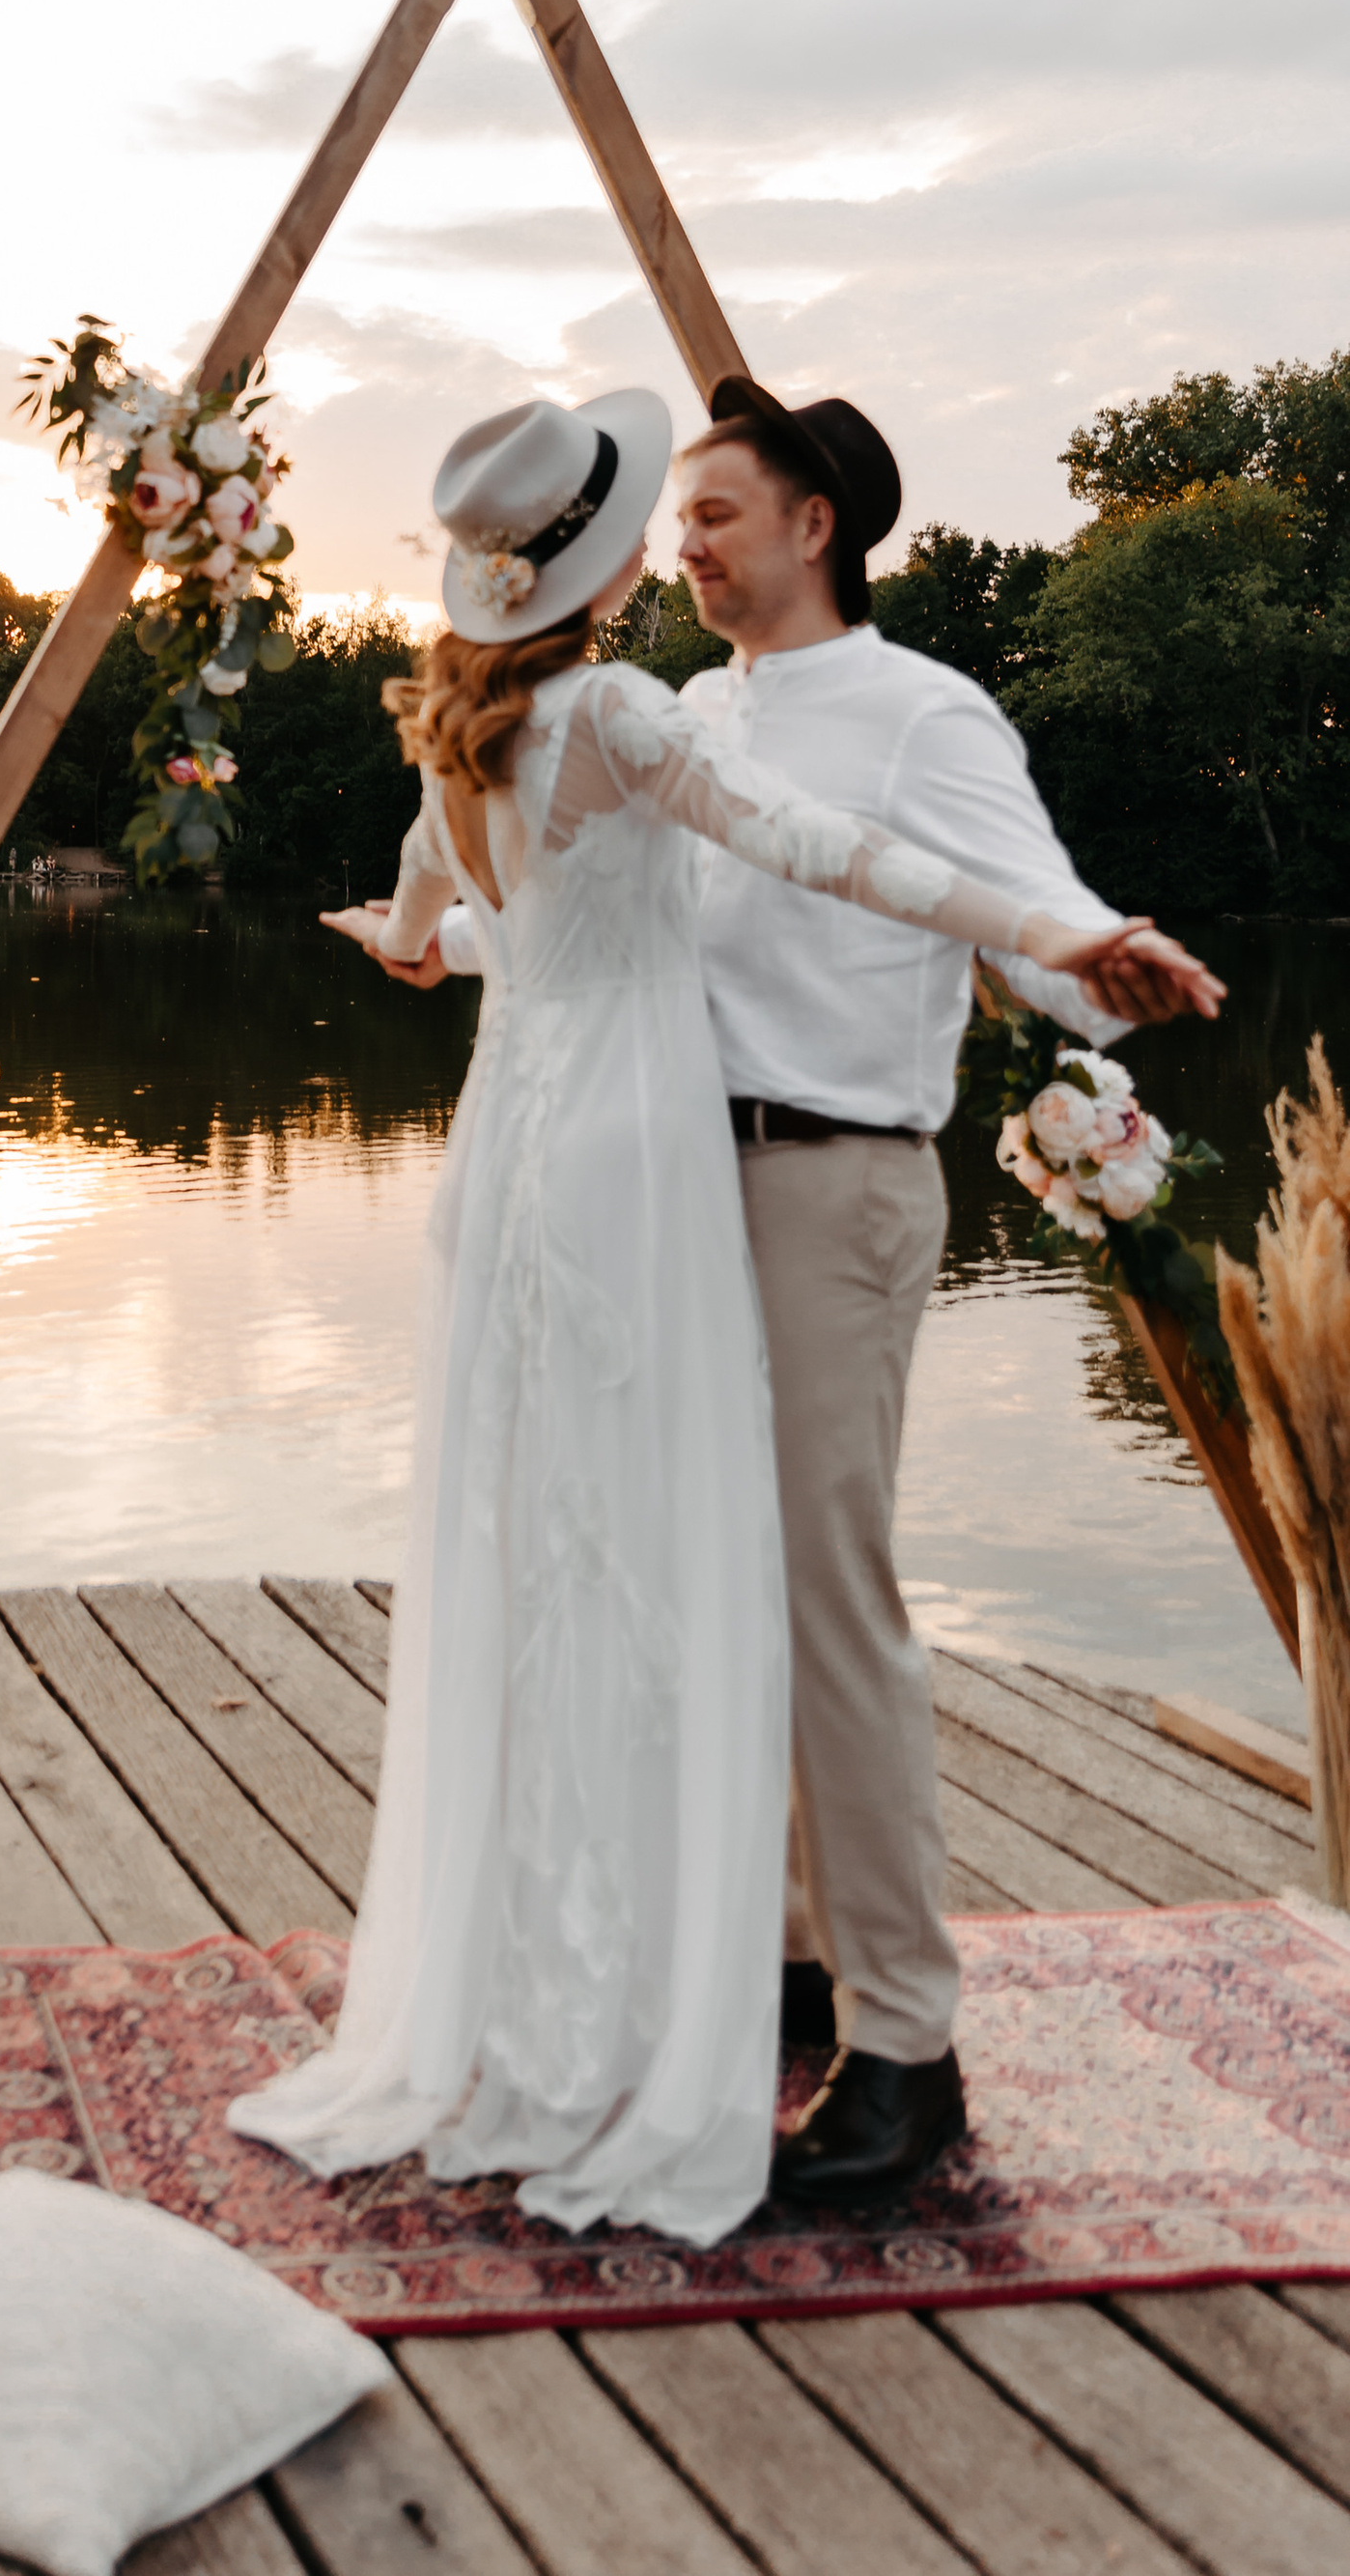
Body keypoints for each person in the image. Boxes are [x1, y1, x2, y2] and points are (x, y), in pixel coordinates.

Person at [225, 389, 1216, 2247]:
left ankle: (907, 2048)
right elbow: (607, 912)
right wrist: (448, 937)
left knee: (827, 1604)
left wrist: (1089, 959)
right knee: (694, 1585)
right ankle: (787, 1961)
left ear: (817, 523)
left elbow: (1008, 904)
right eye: (669, 518)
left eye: (716, 512)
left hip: (828, 1182)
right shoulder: (675, 708)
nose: (682, 542)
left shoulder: (925, 714)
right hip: (657, 1192)